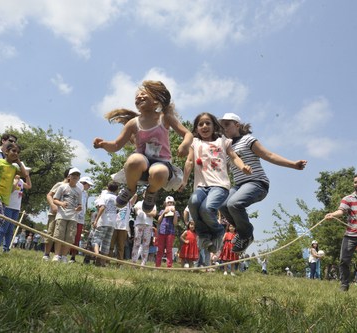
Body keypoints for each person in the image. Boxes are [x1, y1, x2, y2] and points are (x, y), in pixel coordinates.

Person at [93, 80, 193, 213]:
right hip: (141, 163)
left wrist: (185, 144)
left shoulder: (165, 118)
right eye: (137, 96)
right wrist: (104, 145)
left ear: (156, 101)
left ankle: (151, 193)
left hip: (161, 163)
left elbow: (187, 134)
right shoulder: (133, 123)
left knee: (159, 172)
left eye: (144, 94)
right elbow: (116, 145)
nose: (139, 96)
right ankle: (130, 188)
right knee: (134, 160)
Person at [218, 113, 307, 254]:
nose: (224, 129)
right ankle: (243, 233)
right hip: (239, 185)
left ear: (237, 125)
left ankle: (246, 235)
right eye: (222, 127)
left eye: (227, 125)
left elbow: (269, 155)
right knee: (222, 204)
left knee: (233, 204)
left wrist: (293, 164)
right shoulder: (226, 147)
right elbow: (224, 171)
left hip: (257, 183)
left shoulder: (248, 140)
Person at [180, 112, 251, 258]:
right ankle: (204, 235)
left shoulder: (222, 141)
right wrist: (184, 180)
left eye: (208, 123)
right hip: (201, 186)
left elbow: (233, 156)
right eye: (201, 124)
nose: (204, 126)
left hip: (220, 185)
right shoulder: (195, 142)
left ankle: (218, 231)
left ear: (214, 126)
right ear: (196, 128)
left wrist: (243, 166)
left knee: (207, 208)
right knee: (193, 203)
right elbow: (189, 161)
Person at [0, 167, 32, 255]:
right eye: (24, 171)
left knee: (10, 230)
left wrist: (27, 176)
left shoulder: (21, 181)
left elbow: (29, 186)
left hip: (16, 208)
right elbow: (12, 189)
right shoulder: (10, 179)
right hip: (8, 206)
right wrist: (16, 179)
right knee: (3, 229)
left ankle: (6, 249)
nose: (25, 172)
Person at [51, 167, 83, 263]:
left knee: (70, 237)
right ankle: (57, 255)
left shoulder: (79, 191)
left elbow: (80, 204)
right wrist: (61, 204)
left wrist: (79, 208)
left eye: (77, 175)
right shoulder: (62, 187)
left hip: (73, 216)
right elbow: (54, 199)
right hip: (62, 215)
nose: (75, 177)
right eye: (73, 175)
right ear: (69, 176)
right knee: (59, 235)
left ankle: (64, 256)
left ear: (78, 178)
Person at [42, 168, 71, 261]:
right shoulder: (60, 184)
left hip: (65, 215)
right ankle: (46, 254)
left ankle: (59, 255)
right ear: (68, 176)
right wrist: (52, 205)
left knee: (60, 235)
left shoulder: (72, 187)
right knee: (50, 233)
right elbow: (49, 195)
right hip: (54, 213)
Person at [91, 182, 118, 266]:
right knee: (107, 242)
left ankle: (97, 255)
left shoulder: (104, 196)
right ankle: (102, 263)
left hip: (103, 221)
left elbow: (102, 207)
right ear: (116, 190)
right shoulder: (117, 198)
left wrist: (96, 220)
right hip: (112, 223)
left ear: (107, 188)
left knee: (96, 240)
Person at [70, 176, 94, 263]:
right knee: (69, 236)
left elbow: (85, 205)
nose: (89, 187)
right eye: (88, 185)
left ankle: (73, 257)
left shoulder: (86, 194)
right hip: (72, 216)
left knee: (77, 238)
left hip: (81, 218)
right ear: (83, 183)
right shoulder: (75, 189)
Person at [131, 192, 157, 266]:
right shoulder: (139, 203)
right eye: (145, 194)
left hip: (148, 225)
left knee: (146, 244)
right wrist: (139, 211)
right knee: (136, 243)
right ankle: (134, 262)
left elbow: (154, 213)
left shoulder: (152, 204)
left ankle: (143, 263)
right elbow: (136, 210)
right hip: (138, 224)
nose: (146, 195)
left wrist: (146, 212)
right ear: (143, 195)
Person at [110, 192, 137, 262]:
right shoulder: (115, 202)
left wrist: (133, 186)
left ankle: (119, 262)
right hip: (113, 226)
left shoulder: (128, 204)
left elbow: (135, 195)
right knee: (110, 245)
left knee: (121, 246)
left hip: (123, 228)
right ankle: (107, 261)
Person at [155, 196, 179, 268]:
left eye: (171, 203)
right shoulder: (162, 211)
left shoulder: (176, 212)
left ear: (173, 203)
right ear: (165, 203)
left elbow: (175, 223)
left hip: (170, 232)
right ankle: (157, 265)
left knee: (169, 250)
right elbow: (158, 221)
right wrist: (163, 214)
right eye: (168, 202)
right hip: (162, 232)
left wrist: (174, 213)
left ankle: (169, 266)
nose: (170, 204)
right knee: (160, 250)